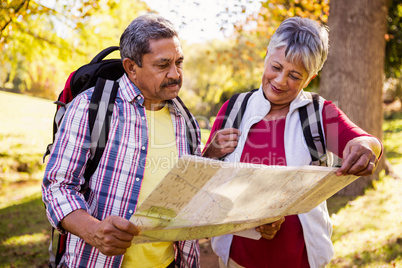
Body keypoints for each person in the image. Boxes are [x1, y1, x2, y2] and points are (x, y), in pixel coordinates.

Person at [202, 17, 382, 268]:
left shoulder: (319, 114)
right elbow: (202, 178)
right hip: (235, 258)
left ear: (310, 78)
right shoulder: (233, 109)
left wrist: (367, 147)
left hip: (300, 259)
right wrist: (210, 153)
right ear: (266, 56)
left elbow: (363, 140)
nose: (280, 81)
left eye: (295, 75)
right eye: (276, 67)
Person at [42, 14, 201, 268]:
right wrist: (93, 230)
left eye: (179, 62)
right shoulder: (91, 107)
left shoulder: (186, 120)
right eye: (163, 65)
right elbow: (57, 186)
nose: (175, 74)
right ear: (131, 67)